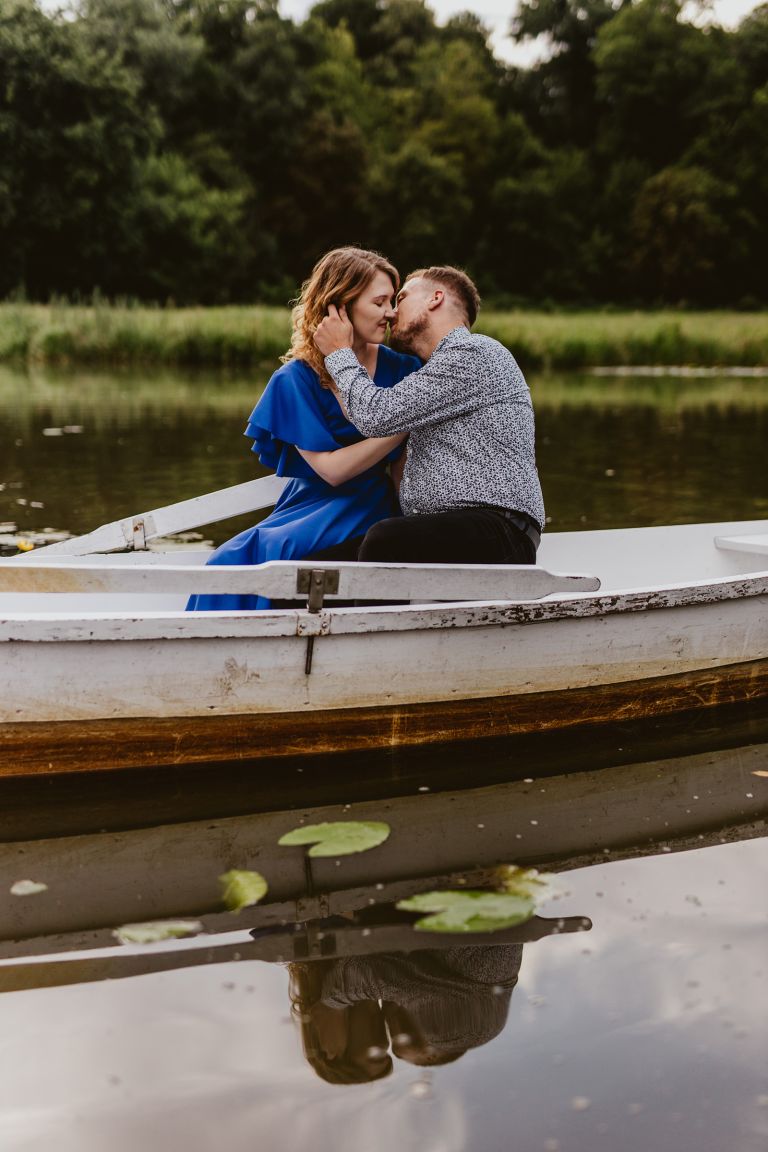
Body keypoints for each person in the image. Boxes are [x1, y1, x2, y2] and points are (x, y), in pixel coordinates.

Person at [187, 247, 420, 611]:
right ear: (339, 306)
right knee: (228, 560)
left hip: (376, 503)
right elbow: (331, 471)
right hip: (313, 504)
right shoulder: (294, 379)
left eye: (393, 300)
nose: (391, 313)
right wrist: (407, 419)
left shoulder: (405, 369)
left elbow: (404, 468)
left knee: (278, 555)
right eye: (380, 302)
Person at [312, 265, 545, 566]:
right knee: (310, 575)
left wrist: (338, 353)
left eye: (403, 298)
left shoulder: (473, 353)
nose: (392, 313)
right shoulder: (433, 371)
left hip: (500, 531)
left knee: (385, 539)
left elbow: (375, 416)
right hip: (443, 534)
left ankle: (385, 616)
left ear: (435, 298)